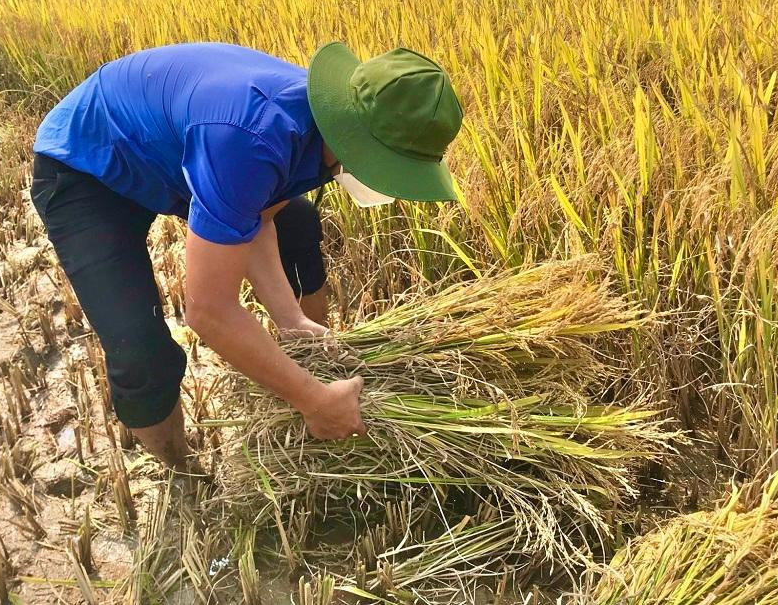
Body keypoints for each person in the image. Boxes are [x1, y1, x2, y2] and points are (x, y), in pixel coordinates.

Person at [31, 42, 463, 472]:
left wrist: (289, 318)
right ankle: (182, 472)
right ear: (358, 142)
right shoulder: (253, 139)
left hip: (173, 151)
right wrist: (312, 402)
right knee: (142, 351)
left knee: (299, 223)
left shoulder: (319, 127)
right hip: (87, 164)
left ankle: (309, 346)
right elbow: (209, 312)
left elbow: (260, 218)